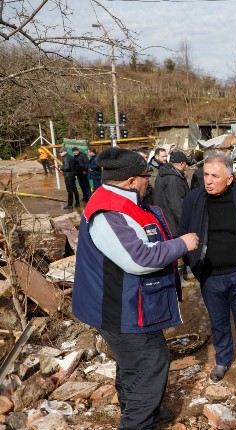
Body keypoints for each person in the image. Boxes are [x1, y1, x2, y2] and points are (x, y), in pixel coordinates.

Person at [72, 147, 199, 430]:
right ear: (130, 180)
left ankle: (142, 409)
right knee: (151, 362)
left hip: (131, 303)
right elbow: (139, 259)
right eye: (146, 175)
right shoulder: (109, 213)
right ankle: (137, 421)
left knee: (133, 362)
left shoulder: (126, 201)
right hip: (119, 309)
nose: (149, 180)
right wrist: (182, 244)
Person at [178, 152, 236, 383]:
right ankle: (223, 360)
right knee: (218, 321)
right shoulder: (194, 200)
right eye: (206, 174)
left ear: (229, 179)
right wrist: (192, 263)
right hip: (209, 276)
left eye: (214, 176)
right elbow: (183, 234)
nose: (208, 181)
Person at [154, 151, 190, 235]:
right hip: (173, 225)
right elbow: (176, 204)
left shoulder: (163, 173)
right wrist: (186, 224)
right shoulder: (173, 178)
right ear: (182, 164)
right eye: (185, 164)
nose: (186, 166)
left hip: (166, 223)